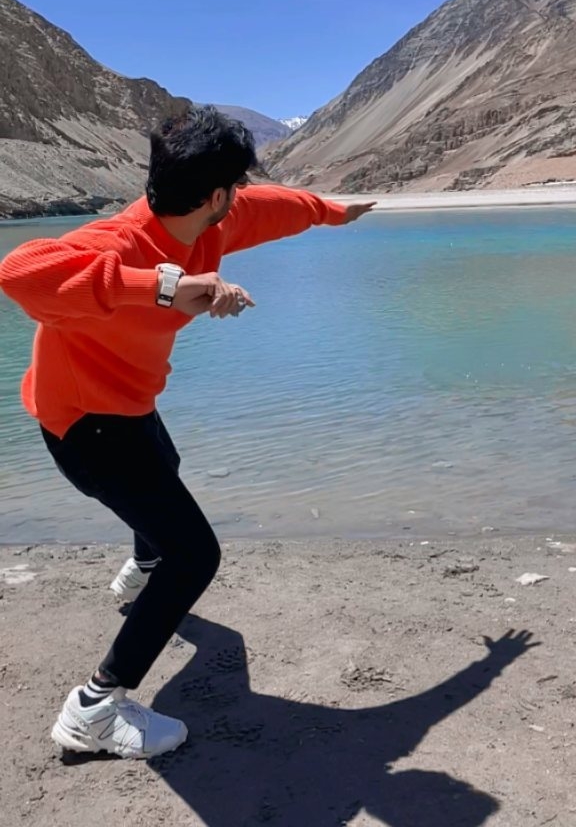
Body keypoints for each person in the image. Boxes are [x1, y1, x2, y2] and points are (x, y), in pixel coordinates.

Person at [0, 105, 375, 760]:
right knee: (197, 555)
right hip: (81, 425)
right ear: (217, 195)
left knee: (163, 468)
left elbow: (275, 208)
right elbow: (18, 273)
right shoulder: (117, 243)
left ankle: (142, 570)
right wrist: (166, 288)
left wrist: (331, 211)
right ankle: (93, 708)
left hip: (128, 408)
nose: (242, 201)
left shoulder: (210, 224)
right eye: (236, 190)